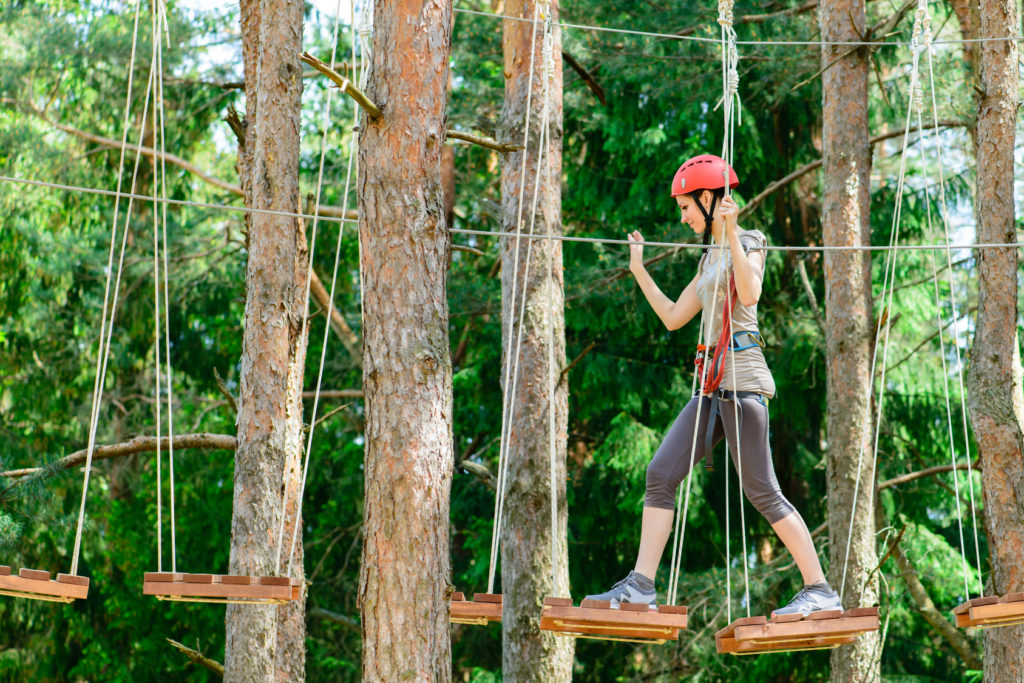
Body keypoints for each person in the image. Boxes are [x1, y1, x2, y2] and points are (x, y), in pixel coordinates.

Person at [586, 154, 840, 617]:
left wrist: (731, 232)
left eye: (685, 207)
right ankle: (641, 586)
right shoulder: (707, 260)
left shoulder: (748, 241)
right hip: (710, 389)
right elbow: (672, 317)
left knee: (762, 489)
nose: (682, 218)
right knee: (660, 475)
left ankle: (819, 588)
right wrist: (639, 268)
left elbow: (751, 292)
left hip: (742, 382)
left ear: (707, 198)